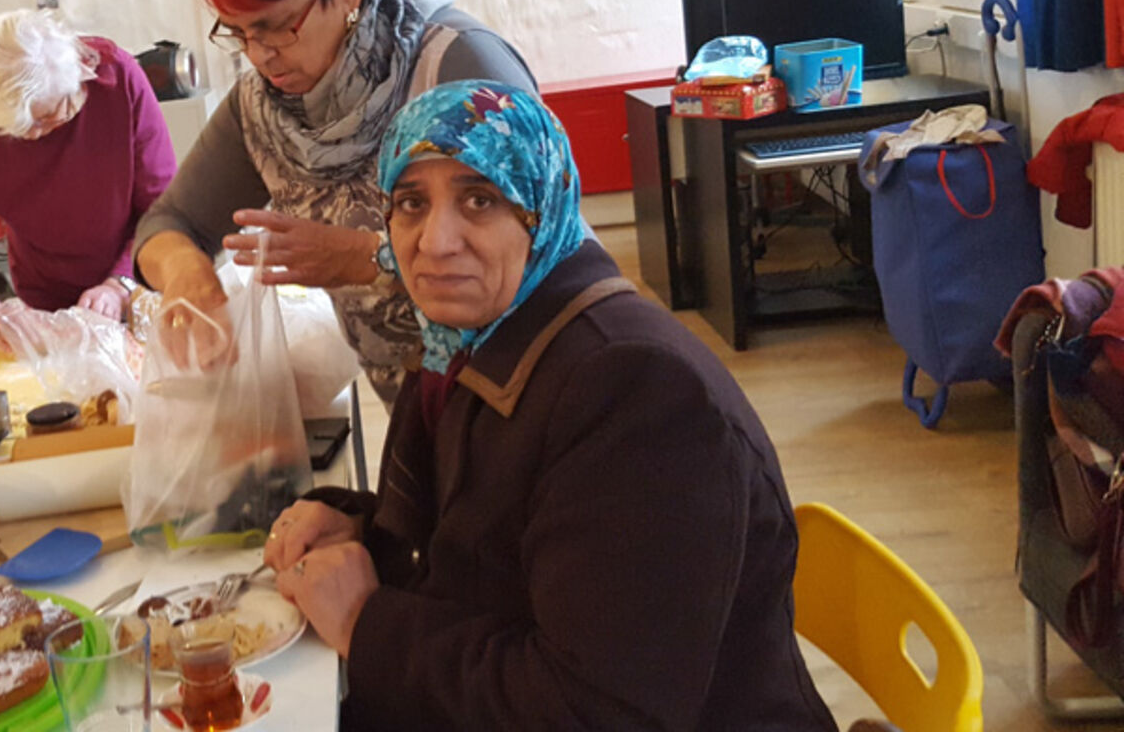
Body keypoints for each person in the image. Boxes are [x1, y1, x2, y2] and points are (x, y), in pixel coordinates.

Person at [264, 81, 835, 730]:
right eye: (411, 203)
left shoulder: (639, 397)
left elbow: (597, 712)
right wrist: (362, 533)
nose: (435, 240)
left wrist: (369, 624)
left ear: (542, 207)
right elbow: (486, 545)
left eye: (480, 199)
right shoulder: (469, 341)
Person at [134, 0, 542, 402]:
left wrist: (362, 258)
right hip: (417, 411)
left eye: (276, 27)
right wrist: (187, 275)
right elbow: (171, 221)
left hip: (520, 395)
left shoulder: (455, 68)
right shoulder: (265, 107)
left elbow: (545, 244)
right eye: (237, 33)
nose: (259, 56)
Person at [0, 9, 176, 344]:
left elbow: (163, 210)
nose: (37, 136)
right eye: (19, 129)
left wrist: (120, 284)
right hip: (43, 297)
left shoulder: (117, 78)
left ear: (77, 74)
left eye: (51, 115)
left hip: (141, 273)